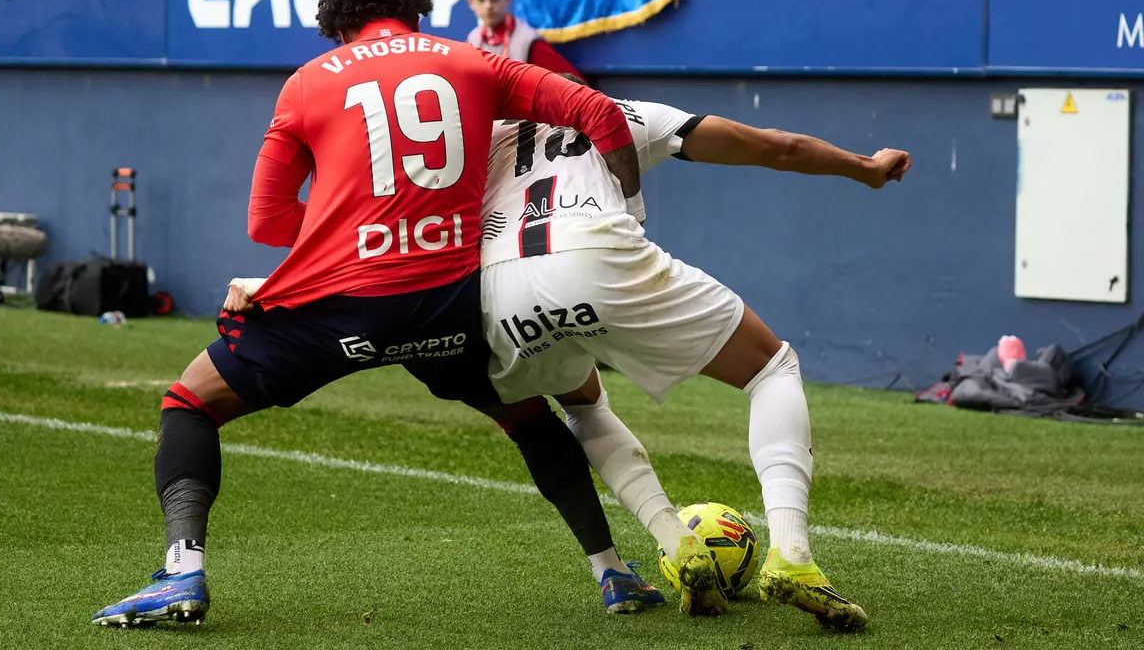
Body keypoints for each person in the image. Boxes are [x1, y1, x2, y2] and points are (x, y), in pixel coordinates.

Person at [92, 0, 652, 628]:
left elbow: (266, 221)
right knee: (528, 415)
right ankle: (613, 572)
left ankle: (182, 573)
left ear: (337, 25)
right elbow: (596, 111)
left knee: (189, 403)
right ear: (416, 10)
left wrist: (354, 239)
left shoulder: (307, 83)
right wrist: (631, 213)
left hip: (343, 309)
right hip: (452, 302)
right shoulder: (473, 61)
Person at [226, 83, 912, 629]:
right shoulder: (621, 113)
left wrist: (278, 286)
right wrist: (865, 167)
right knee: (771, 367)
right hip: (599, 256)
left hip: (499, 294)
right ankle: (793, 554)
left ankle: (675, 542)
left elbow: (376, 230)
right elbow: (779, 148)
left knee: (582, 402)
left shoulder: (467, 144)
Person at [466, 0, 583, 80]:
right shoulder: (472, 40)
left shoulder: (528, 42)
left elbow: (576, 85)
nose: (488, 6)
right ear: (471, 2)